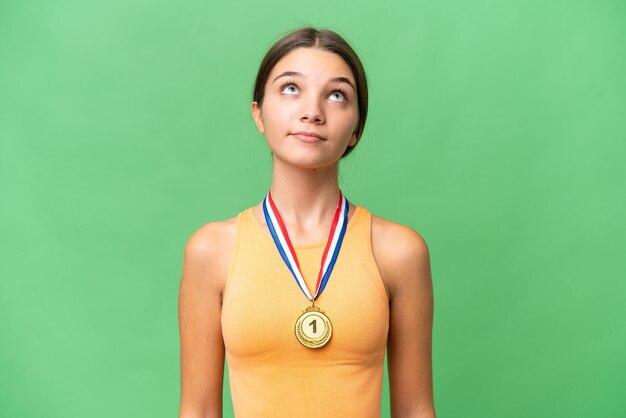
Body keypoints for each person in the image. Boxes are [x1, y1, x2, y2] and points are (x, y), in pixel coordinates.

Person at [178, 26, 435, 418]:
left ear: (356, 131)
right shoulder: (212, 250)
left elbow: (416, 409)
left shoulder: (398, 251)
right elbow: (197, 410)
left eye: (336, 95)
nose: (312, 111)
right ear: (258, 113)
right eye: (290, 88)